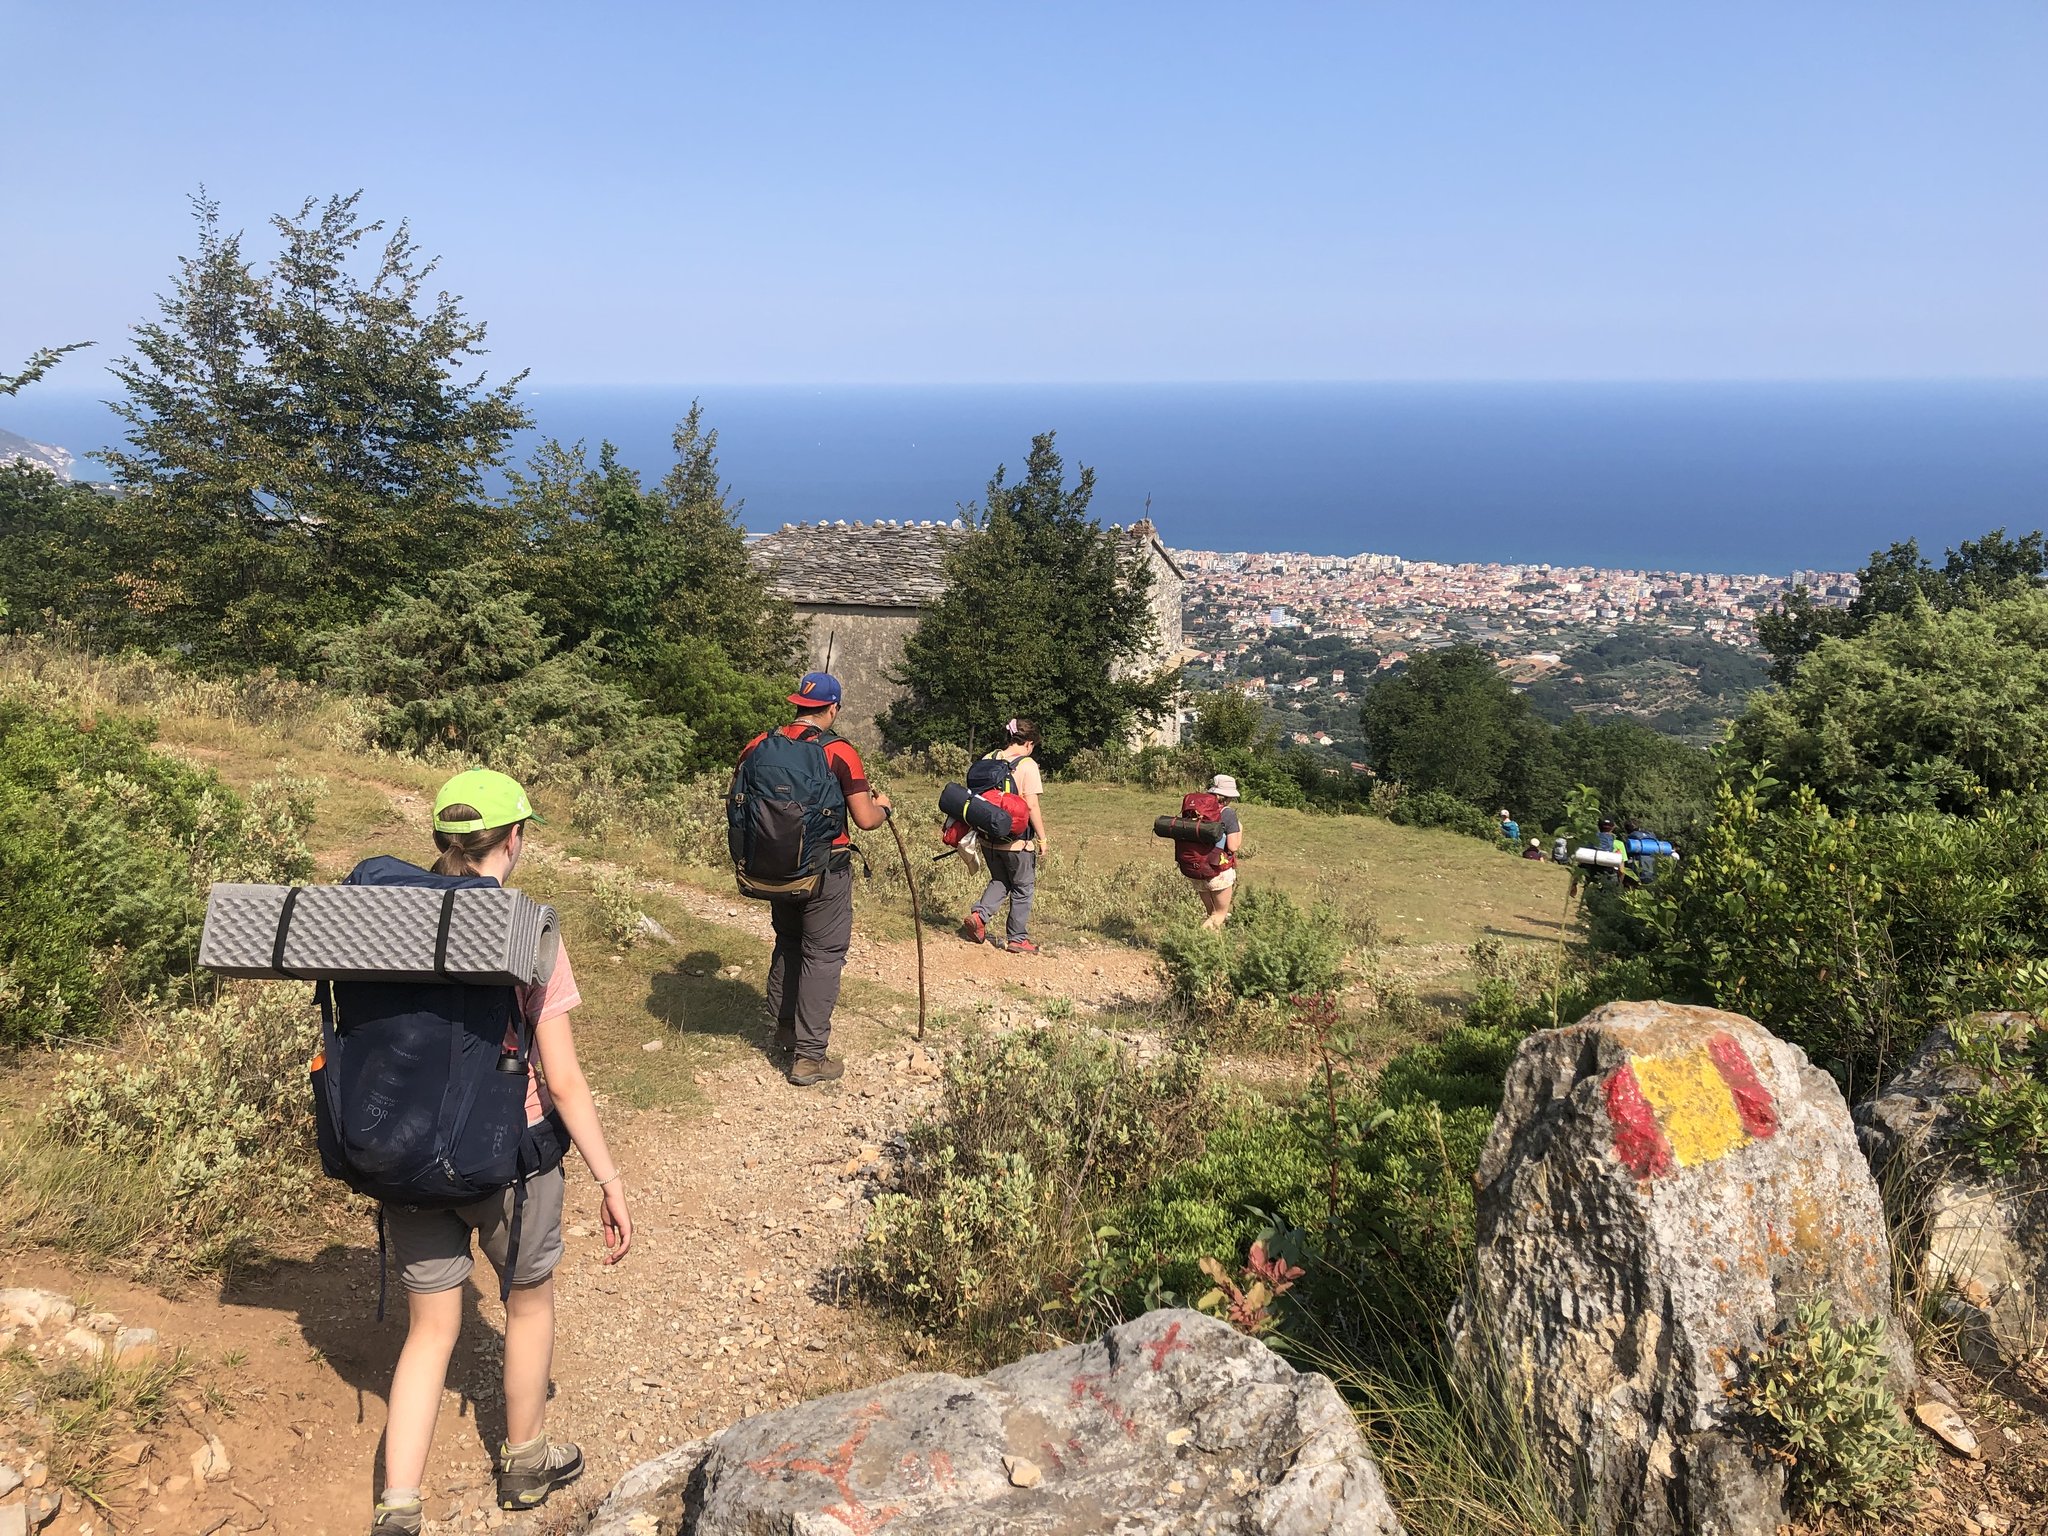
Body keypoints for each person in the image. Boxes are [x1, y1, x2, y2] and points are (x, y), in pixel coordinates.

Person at [372, 770, 632, 1536]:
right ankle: (525, 1465)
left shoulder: (382, 920)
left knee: (430, 1332)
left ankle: (399, 1505)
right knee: (527, 1304)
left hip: (407, 1155)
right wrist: (609, 1178)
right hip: (509, 1159)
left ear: (443, 842)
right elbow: (566, 1080)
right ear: (513, 839)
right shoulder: (532, 934)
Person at [737, 673, 893, 1087]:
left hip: (774, 868)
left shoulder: (757, 745)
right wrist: (884, 808)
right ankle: (809, 1058)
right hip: (825, 871)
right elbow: (864, 819)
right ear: (833, 708)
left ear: (798, 704)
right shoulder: (839, 751)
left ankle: (786, 1030)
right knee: (823, 955)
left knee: (788, 942)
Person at [962, 718, 1048, 955]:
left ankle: (979, 917)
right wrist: (1042, 838)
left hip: (987, 837)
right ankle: (1017, 939)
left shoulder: (989, 758)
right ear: (1029, 744)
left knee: (1000, 880)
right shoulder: (1027, 765)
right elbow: (1031, 806)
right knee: (1023, 887)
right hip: (1016, 842)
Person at [1194, 774, 1245, 930]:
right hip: (1218, 870)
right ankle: (1194, 943)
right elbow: (1233, 846)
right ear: (1228, 797)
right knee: (1219, 915)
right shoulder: (1227, 813)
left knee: (1212, 914)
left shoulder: (1198, 809)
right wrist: (1240, 829)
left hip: (1196, 867)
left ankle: (1211, 947)